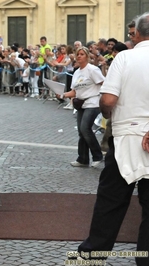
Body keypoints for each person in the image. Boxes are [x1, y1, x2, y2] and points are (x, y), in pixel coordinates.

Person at [75, 13, 149, 266]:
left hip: (126, 137)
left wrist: (110, 115)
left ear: (136, 34)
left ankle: (92, 256)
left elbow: (107, 100)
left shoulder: (124, 58)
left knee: (110, 203)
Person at [58, 46, 104, 167]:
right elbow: (74, 91)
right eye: (78, 54)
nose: (79, 56)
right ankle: (83, 158)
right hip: (81, 103)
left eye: (82, 54)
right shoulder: (77, 72)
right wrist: (62, 95)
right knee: (81, 131)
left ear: (87, 56)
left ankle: (97, 156)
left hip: (93, 102)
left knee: (85, 128)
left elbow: (104, 83)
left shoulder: (93, 70)